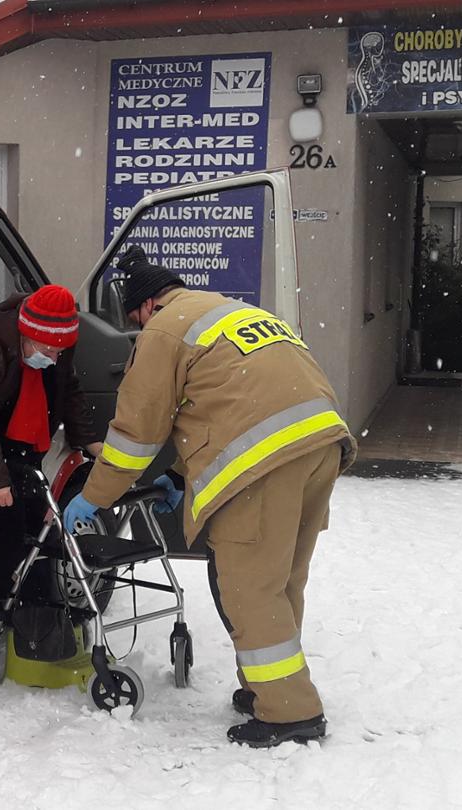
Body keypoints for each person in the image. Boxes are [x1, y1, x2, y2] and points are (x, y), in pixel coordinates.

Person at [63, 252, 355, 748]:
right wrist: (179, 475)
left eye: (135, 317)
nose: (137, 326)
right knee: (281, 581)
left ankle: (290, 714)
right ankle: (268, 687)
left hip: (264, 464)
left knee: (250, 587)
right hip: (321, 444)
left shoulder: (162, 330)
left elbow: (138, 430)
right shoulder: (231, 312)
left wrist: (96, 496)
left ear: (148, 304)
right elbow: (221, 403)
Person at [0, 285, 100, 592]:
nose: (53, 359)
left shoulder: (53, 342)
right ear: (26, 333)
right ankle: (12, 601)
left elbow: (68, 388)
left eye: (59, 353)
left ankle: (38, 603)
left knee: (38, 519)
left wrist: (88, 438)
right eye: (47, 351)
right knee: (5, 520)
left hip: (26, 436)